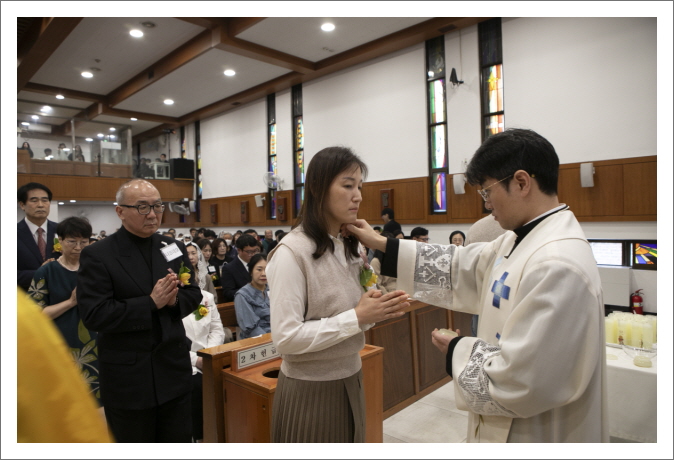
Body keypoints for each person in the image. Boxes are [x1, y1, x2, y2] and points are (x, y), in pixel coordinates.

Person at [346, 129, 607, 443]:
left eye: (486, 191)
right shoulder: (520, 238)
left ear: (521, 183)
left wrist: (457, 349)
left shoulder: (557, 264)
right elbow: (462, 266)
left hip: (539, 433)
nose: (486, 205)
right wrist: (382, 245)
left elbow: (524, 382)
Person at [267, 146, 409, 443]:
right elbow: (286, 338)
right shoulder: (291, 252)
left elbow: (363, 314)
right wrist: (356, 317)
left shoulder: (350, 245)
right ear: (318, 188)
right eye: (347, 186)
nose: (357, 196)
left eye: (359, 187)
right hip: (310, 388)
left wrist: (376, 308)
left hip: (352, 375)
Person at [77, 179, 202, 443]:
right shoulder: (99, 254)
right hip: (129, 378)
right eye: (142, 207)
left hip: (173, 371)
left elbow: (193, 293)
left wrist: (173, 301)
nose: (153, 214)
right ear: (120, 211)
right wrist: (150, 303)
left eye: (158, 206)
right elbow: (94, 314)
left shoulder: (172, 247)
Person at [17, 290, 112, 443]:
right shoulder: (21, 309)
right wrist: (70, 302)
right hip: (63, 345)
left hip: (97, 348)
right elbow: (36, 314)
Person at [28, 216, 101, 405]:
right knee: (62, 400)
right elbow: (35, 315)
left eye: (83, 242)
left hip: (93, 344)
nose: (78, 247)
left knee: (94, 401)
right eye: (72, 241)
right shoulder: (47, 271)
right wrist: (70, 302)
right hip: (59, 342)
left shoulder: (96, 270)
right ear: (59, 240)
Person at [181, 273, 227, 442]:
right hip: (183, 360)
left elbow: (217, 330)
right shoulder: (169, 302)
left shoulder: (206, 297)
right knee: (197, 386)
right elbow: (169, 342)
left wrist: (207, 356)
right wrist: (196, 360)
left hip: (208, 356)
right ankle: (200, 437)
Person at [465, 214, 508, 336]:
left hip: (480, 302)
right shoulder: (516, 227)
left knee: (481, 340)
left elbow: (468, 266)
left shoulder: (476, 228)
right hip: (507, 302)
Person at [18, 182, 58, 291]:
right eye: (34, 200)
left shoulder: (62, 230)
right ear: (22, 205)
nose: (40, 205)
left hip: (59, 295)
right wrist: (42, 273)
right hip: (24, 295)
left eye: (45, 200)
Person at [234, 254, 271, 339]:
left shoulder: (272, 288)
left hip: (277, 335)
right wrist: (270, 339)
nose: (264, 274)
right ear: (251, 271)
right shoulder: (242, 295)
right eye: (259, 269)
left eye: (267, 269)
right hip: (257, 339)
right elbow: (251, 329)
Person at [220, 234, 259, 302]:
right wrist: (250, 290)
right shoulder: (229, 268)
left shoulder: (259, 264)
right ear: (239, 250)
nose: (253, 254)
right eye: (249, 252)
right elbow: (228, 293)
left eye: (255, 251)